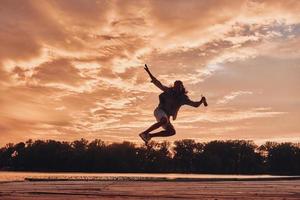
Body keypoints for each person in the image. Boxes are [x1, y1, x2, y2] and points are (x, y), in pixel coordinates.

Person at [139, 64, 208, 144]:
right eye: (175, 87)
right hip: (160, 111)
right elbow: (158, 83)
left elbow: (195, 105)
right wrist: (149, 72)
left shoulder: (183, 98)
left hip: (167, 116)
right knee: (164, 120)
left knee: (172, 132)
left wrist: (201, 101)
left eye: (179, 87)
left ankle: (150, 136)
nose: (177, 89)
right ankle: (144, 133)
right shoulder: (169, 91)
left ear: (182, 88)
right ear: (173, 87)